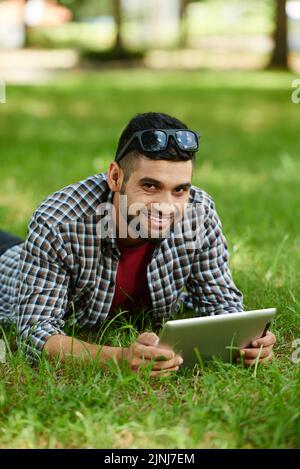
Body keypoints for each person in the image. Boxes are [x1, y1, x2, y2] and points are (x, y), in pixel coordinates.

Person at [0, 112, 276, 375]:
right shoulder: (57, 222)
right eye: (150, 186)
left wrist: (247, 341)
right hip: (8, 264)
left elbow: (221, 303)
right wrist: (119, 358)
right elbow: (34, 337)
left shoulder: (198, 212)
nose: (167, 207)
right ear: (115, 177)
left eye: (179, 189)